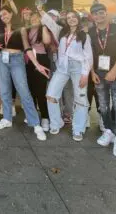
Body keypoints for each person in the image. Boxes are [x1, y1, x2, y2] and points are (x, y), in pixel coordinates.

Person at [0, 3, 49, 141]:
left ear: (12, 14)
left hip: (17, 60)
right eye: (1, 15)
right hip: (2, 59)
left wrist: (37, 64)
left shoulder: (21, 29)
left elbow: (27, 48)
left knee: (24, 91)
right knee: (5, 91)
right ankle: (7, 118)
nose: (3, 16)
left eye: (5, 13)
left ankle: (35, 124)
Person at [89, 2, 116, 159]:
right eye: (95, 13)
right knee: (103, 105)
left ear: (106, 13)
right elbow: (89, 54)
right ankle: (108, 131)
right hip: (99, 72)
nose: (99, 15)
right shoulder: (91, 32)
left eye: (101, 12)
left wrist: (113, 71)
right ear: (92, 16)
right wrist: (92, 72)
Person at [46, 11, 93, 141]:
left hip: (78, 67)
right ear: (66, 20)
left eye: (73, 17)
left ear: (78, 19)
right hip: (62, 67)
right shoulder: (62, 32)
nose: (71, 19)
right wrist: (39, 9)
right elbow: (49, 23)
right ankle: (56, 122)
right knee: (51, 95)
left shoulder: (84, 36)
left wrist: (85, 74)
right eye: (68, 18)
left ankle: (78, 129)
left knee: (80, 99)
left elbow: (88, 57)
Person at [25, 12, 51, 132]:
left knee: (40, 90)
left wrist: (44, 26)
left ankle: (45, 117)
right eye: (32, 18)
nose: (34, 19)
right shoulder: (27, 30)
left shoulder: (43, 29)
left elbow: (46, 41)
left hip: (41, 59)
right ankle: (34, 115)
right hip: (29, 60)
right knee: (31, 90)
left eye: (37, 18)